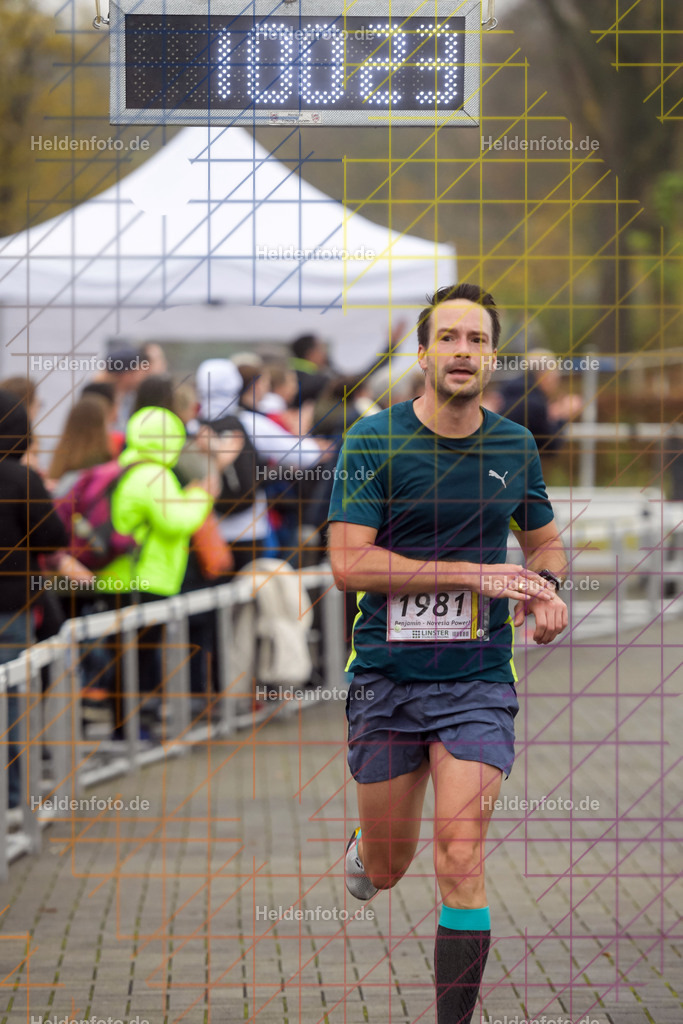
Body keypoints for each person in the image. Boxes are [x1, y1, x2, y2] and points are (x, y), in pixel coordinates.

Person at [327, 284, 569, 1024]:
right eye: (448, 338)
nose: (462, 350)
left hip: (476, 680)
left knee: (459, 857)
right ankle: (370, 845)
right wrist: (469, 573)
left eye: (476, 339)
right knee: (388, 869)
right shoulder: (373, 440)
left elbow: (542, 541)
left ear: (490, 356)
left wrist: (546, 591)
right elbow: (349, 563)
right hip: (386, 680)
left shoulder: (513, 444)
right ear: (424, 351)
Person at [0, 389, 68, 808]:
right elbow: (54, 537)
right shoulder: (19, 479)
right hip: (10, 606)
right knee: (12, 700)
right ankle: (14, 794)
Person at [497, 348, 582, 453]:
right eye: (555, 376)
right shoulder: (535, 404)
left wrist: (550, 413)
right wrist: (563, 416)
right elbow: (549, 445)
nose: (556, 382)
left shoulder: (508, 392)